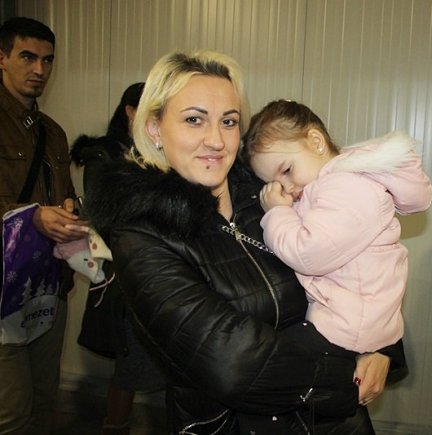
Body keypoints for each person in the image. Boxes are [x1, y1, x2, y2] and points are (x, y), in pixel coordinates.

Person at [84, 50, 403, 434]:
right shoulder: (142, 235)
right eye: (194, 120)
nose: (216, 140)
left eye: (229, 121)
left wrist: (381, 348)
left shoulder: (272, 191)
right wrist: (346, 375)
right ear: (154, 128)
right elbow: (234, 364)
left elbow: (365, 256)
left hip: (335, 423)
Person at [241, 99, 432, 358]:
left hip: (347, 328)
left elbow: (309, 253)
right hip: (351, 319)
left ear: (316, 142)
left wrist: (277, 212)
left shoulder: (347, 188)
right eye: (274, 183)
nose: (286, 188)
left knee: (266, 359)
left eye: (286, 170)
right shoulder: (330, 185)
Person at [0, 16, 88, 434]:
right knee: (11, 414)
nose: (39, 69)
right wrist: (32, 215)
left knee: (43, 401)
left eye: (48, 60)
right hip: (4, 291)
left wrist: (70, 212)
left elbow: (64, 197)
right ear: (1, 58)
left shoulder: (53, 133)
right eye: (27, 57)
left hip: (49, 285)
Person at [70, 82, 165, 435]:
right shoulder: (104, 155)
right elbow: (105, 216)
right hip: (123, 277)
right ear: (129, 110)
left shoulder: (160, 152)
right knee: (130, 365)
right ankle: (115, 426)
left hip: (157, 274)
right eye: (150, 111)